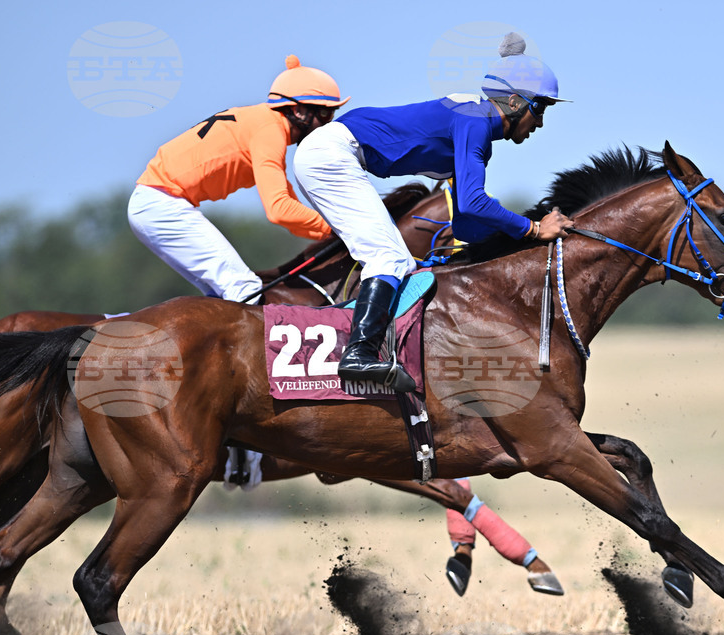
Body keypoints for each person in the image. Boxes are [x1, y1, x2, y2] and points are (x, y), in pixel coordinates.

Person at [293, 32, 575, 392]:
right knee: (388, 259)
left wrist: (492, 250)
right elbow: (474, 202)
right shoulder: (475, 120)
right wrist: (533, 229)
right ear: (516, 101)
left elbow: (466, 220)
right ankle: (358, 355)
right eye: (540, 109)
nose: (540, 123)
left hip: (331, 155)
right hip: (331, 156)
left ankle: (373, 347)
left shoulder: (476, 125)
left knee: (401, 262)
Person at [127, 55, 347, 304]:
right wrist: (340, 229)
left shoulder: (264, 125)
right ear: (298, 110)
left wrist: (331, 234)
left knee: (220, 299)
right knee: (245, 290)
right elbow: (279, 210)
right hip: (162, 207)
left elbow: (291, 213)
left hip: (155, 205)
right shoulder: (269, 132)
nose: (328, 125)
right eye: (325, 115)